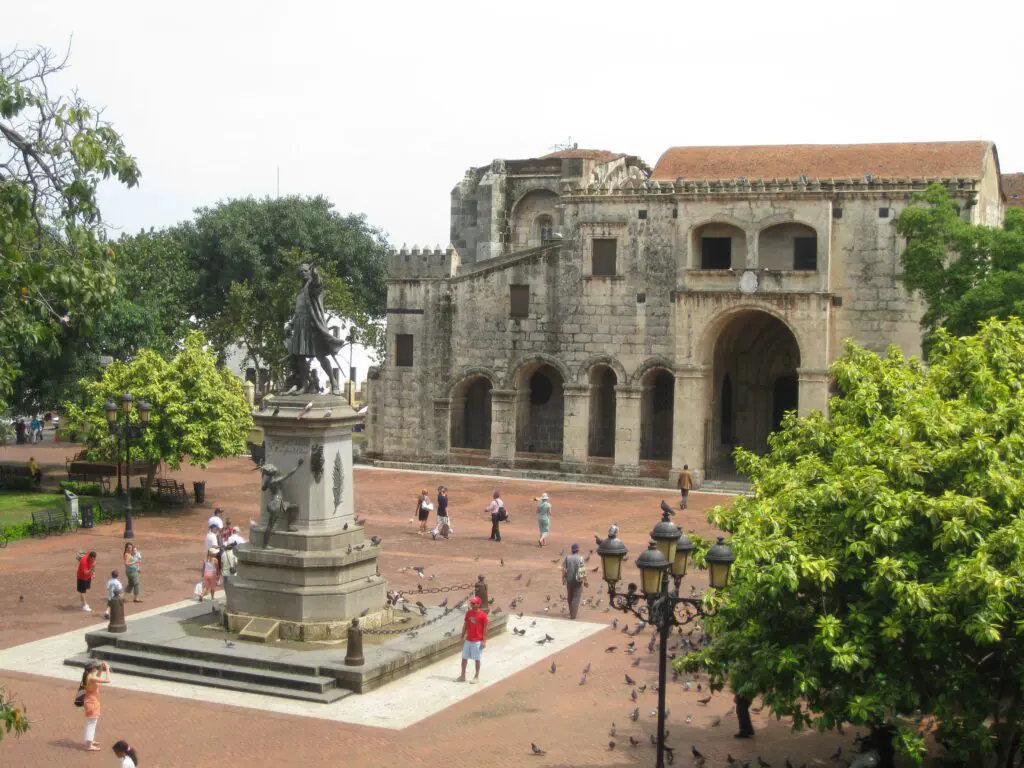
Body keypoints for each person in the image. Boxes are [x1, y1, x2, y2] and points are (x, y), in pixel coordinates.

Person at [456, 596, 489, 683]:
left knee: (477, 659)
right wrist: (462, 636)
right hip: (468, 639)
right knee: (464, 658)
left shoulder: (483, 615)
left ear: (479, 604)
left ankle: (476, 676)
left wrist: (484, 640)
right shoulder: (468, 613)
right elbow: (465, 625)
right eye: (472, 603)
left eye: (474, 603)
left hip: (477, 641)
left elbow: (485, 629)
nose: (472, 605)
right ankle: (463, 676)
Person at [80, 659, 110, 751]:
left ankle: (90, 740)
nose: (96, 667)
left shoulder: (88, 675)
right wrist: (107, 669)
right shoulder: (91, 677)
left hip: (91, 700)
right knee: (91, 723)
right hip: (91, 702)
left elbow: (97, 678)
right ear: (92, 668)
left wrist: (101, 669)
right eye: (95, 667)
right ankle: (89, 745)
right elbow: (107, 680)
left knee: (92, 722)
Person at [562, 543, 586, 619]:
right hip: (578, 581)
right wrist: (585, 581)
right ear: (578, 550)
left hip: (569, 580)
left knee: (570, 596)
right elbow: (583, 571)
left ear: (572, 550)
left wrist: (564, 579)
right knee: (576, 597)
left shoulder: (567, 558)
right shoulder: (581, 558)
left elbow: (563, 569)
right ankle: (573, 615)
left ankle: (571, 611)